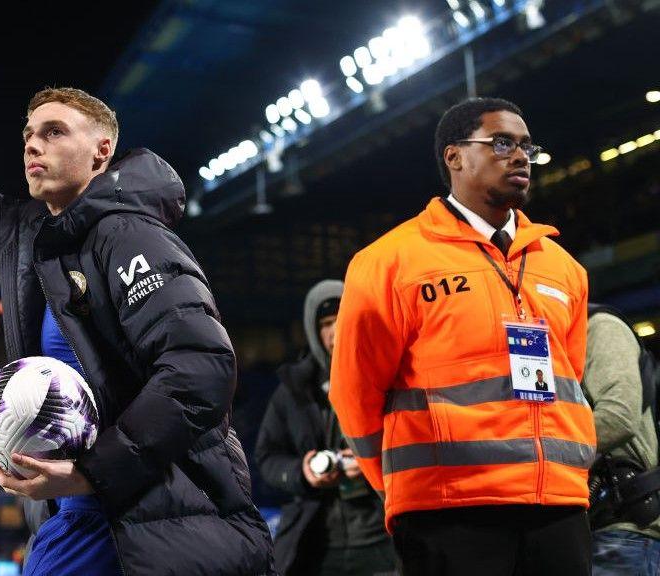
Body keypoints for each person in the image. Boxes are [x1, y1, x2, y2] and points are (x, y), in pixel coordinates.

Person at [0, 36, 274, 576]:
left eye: (54, 132)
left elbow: (201, 369)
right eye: (29, 135)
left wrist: (92, 472)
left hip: (152, 524)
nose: (32, 145)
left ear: (101, 151)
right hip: (85, 515)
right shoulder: (33, 238)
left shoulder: (130, 237)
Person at [329, 97, 594, 575]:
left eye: (526, 147)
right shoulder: (390, 262)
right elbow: (355, 393)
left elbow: (569, 379)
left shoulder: (565, 268)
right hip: (447, 512)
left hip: (557, 504)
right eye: (501, 143)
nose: (520, 157)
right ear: (454, 157)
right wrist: (398, 487)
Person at [255, 279, 394, 576]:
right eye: (326, 323)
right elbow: (267, 457)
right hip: (318, 543)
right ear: (313, 330)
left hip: (380, 537)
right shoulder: (293, 390)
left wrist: (372, 460)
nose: (335, 331)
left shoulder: (387, 377)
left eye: (342, 319)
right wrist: (302, 472)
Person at [582, 306, 660, 574]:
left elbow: (618, 417)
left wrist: (548, 449)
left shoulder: (600, 326)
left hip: (623, 530)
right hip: (594, 531)